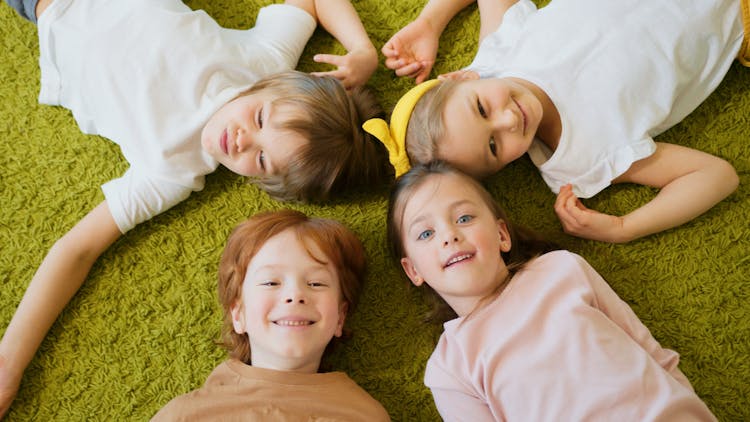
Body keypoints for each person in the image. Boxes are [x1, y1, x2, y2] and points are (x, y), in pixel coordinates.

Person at [0, 0, 388, 416]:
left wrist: (9, 363)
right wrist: (363, 50)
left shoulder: (171, 171)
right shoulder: (264, 61)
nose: (241, 139)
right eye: (259, 118)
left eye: (259, 159)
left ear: (261, 183)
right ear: (273, 85)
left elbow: (77, 250)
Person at [368, 0, 749, 243]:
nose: (507, 121)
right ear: (503, 166)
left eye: (482, 108)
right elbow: (717, 175)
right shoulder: (582, 158)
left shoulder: (499, 53)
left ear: (463, 77)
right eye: (493, 147)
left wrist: (430, 22)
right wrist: (625, 227)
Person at [386, 161, 718, 421]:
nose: (448, 235)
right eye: (426, 234)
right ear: (413, 270)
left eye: (464, 217)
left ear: (503, 235)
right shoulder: (450, 368)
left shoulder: (561, 269)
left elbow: (650, 351)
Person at [151, 209, 391, 420]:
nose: (295, 295)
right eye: (270, 282)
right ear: (238, 314)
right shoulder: (185, 414)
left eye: (316, 283)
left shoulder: (364, 415)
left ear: (340, 316)